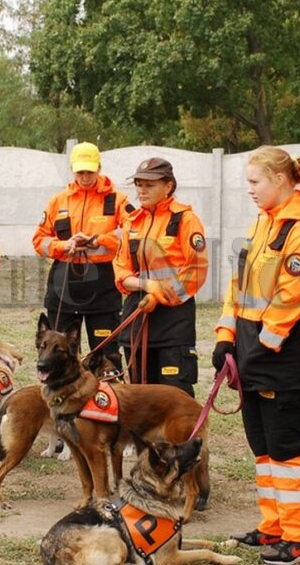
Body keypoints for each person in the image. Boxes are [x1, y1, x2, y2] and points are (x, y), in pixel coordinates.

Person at [214, 146, 300, 565]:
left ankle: (299, 539)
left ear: (280, 180)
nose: (250, 190)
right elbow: (239, 286)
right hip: (250, 349)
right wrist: (226, 337)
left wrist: (262, 345)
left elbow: (293, 294)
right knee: (262, 445)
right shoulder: (266, 222)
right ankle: (273, 526)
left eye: (255, 181)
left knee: (287, 447)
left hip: (280, 354)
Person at [112, 157, 208, 397]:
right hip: (137, 313)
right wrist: (147, 285)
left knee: (174, 394)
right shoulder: (132, 223)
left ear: (168, 186)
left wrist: (158, 295)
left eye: (150, 184)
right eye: (139, 184)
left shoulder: (185, 219)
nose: (142, 190)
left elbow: (195, 272)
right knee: (140, 394)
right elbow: (121, 271)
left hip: (174, 317)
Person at [32, 142, 131, 355]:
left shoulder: (117, 200)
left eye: (89, 171)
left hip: (103, 284)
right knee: (58, 353)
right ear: (72, 170)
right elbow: (39, 241)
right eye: (80, 172)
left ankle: (107, 388)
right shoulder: (58, 201)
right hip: (64, 283)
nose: (85, 177)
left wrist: (98, 240)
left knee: (106, 353)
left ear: (99, 168)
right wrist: (63, 245)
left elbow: (132, 234)